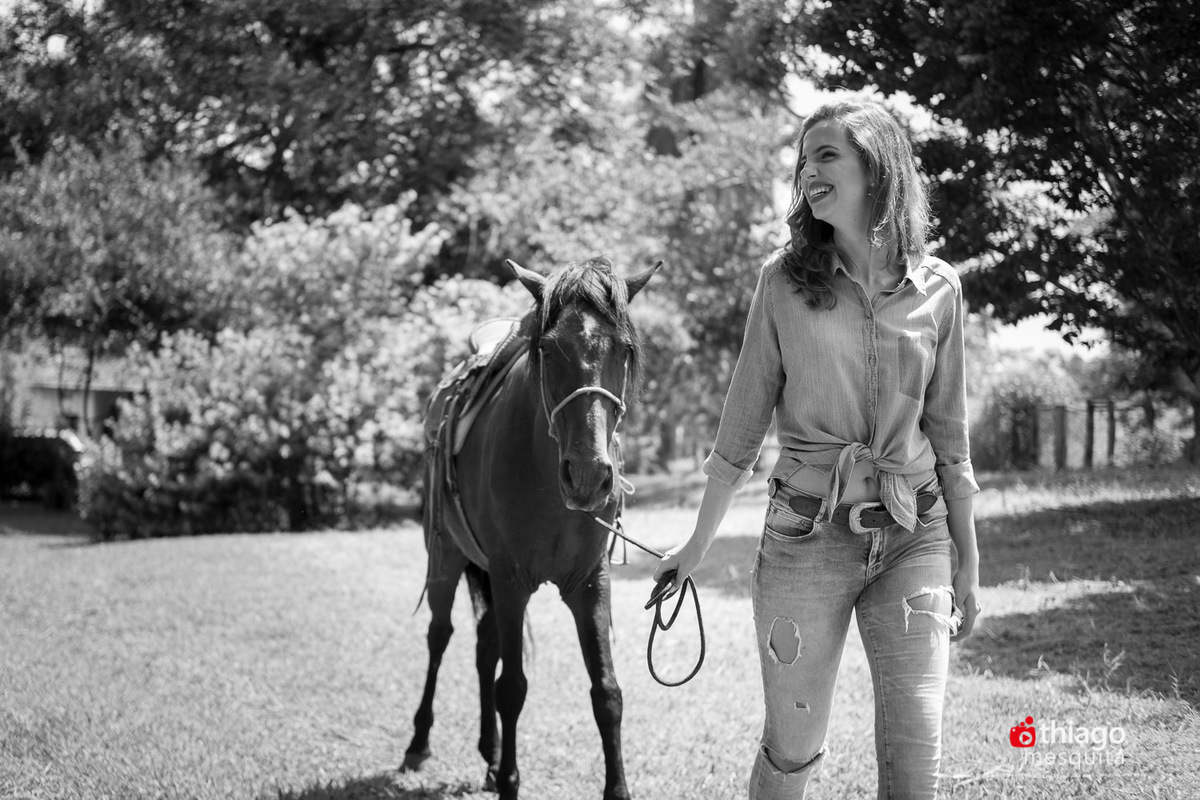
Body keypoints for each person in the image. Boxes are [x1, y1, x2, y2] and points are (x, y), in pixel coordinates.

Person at [653, 97, 982, 799]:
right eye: (803, 159)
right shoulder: (782, 282)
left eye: (826, 155)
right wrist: (695, 547)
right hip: (805, 537)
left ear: (878, 168)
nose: (807, 170)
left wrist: (970, 562)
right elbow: (739, 434)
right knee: (793, 753)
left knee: (915, 762)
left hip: (914, 535)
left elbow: (951, 440)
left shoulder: (940, 291)